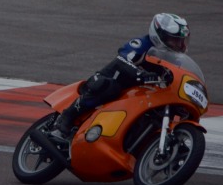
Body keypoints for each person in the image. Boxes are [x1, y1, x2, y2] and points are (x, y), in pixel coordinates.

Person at [48, 12, 190, 145]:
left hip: (140, 94)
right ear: (159, 35)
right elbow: (123, 59)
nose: (179, 45)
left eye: (181, 41)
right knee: (108, 87)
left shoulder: (174, 60)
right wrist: (140, 74)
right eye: (174, 40)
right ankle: (66, 118)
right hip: (113, 81)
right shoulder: (142, 44)